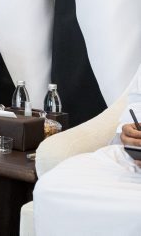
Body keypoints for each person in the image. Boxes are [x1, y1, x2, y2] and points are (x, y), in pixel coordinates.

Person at [32, 63, 141, 235]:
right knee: (51, 188)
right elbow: (136, 105)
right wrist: (129, 134)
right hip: (131, 162)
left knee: (133, 212)